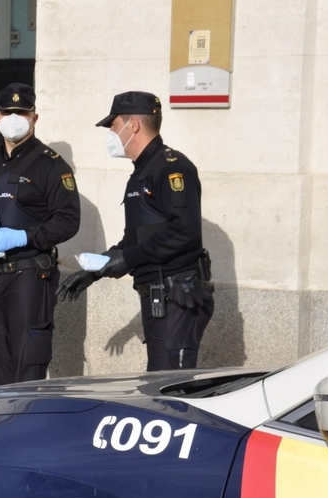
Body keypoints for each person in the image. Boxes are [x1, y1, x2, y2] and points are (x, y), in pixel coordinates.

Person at [57, 91, 214, 371]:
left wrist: (127, 259)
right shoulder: (142, 171)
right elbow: (137, 240)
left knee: (170, 390)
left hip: (177, 297)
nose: (111, 133)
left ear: (134, 126)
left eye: (114, 125)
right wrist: (97, 269)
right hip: (158, 297)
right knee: (160, 383)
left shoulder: (170, 169)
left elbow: (184, 232)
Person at [0, 82, 80, 387]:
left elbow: (68, 221)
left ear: (34, 117)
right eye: (7, 112)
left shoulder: (51, 165)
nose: (14, 117)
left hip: (29, 279)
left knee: (27, 368)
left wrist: (21, 237)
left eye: (21, 112)